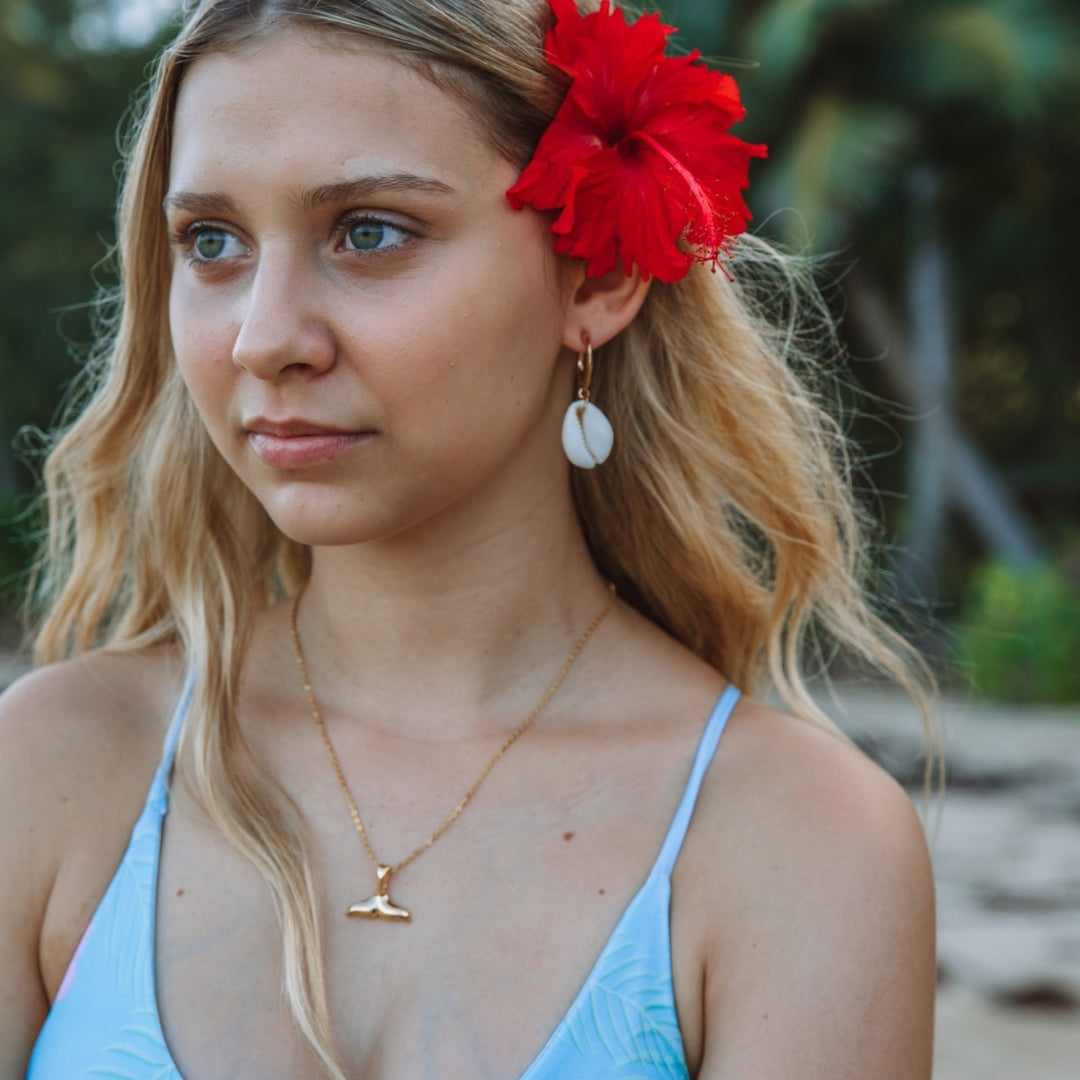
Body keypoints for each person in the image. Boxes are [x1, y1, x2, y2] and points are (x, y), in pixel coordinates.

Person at [0, 0, 938, 1077]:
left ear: (597, 275)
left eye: (369, 232)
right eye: (212, 244)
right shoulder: (56, 768)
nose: (263, 338)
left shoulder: (797, 847)